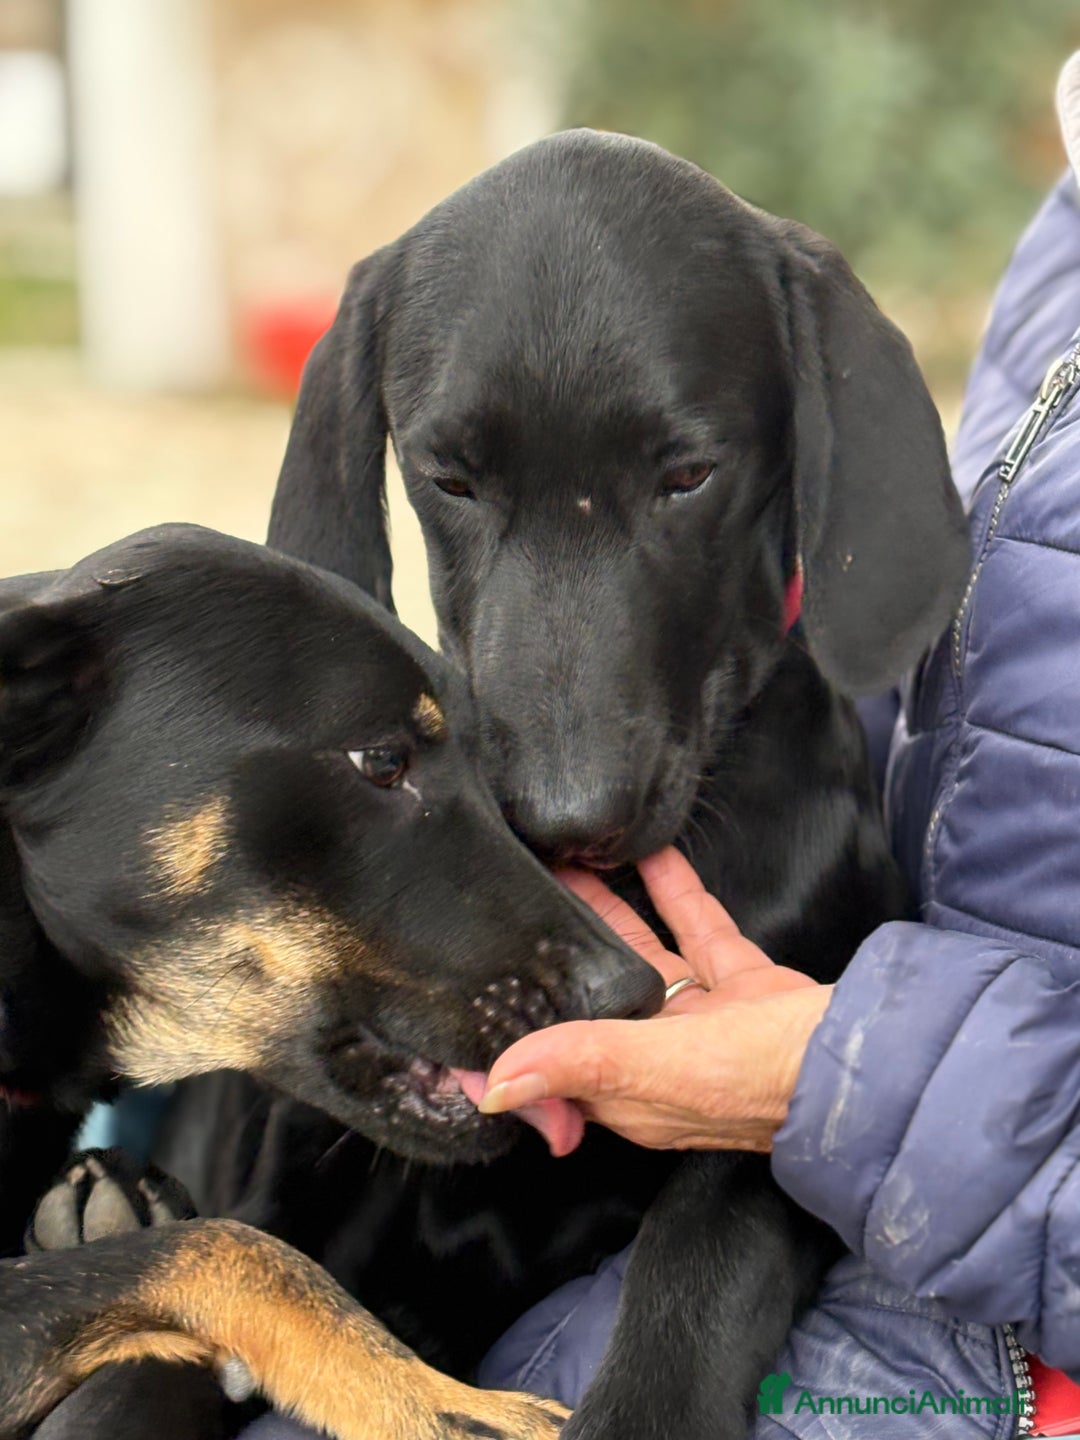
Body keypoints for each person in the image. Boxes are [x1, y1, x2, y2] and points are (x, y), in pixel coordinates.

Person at [245, 51, 1080, 1440]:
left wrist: (823, 1089)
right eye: (457, 483)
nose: (564, 789)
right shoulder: (1058, 280)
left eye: (679, 478)